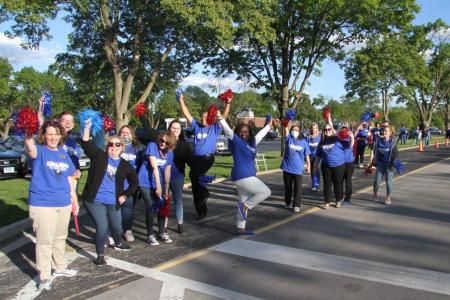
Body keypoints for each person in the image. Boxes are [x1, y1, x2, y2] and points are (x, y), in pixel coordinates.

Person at [24, 121, 79, 290]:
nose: (53, 137)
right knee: (44, 241)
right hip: (43, 204)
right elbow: (30, 148)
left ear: (61, 135)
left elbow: (69, 178)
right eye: (49, 134)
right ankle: (44, 276)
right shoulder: (40, 151)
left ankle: (60, 267)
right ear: (44, 136)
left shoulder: (63, 153)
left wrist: (74, 201)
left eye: (56, 133)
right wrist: (28, 132)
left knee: (60, 237)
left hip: (63, 202)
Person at [80, 120, 138, 266]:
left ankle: (118, 242)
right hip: (95, 200)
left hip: (114, 201)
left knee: (118, 228)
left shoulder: (125, 165)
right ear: (107, 147)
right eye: (111, 144)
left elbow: (134, 183)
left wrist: (125, 195)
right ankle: (100, 255)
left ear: (122, 147)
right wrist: (87, 127)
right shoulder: (99, 157)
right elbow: (86, 144)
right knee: (103, 226)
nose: (114, 147)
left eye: (117, 144)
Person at [217, 111, 273, 235]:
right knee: (265, 192)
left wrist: (269, 125)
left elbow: (260, 135)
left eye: (246, 131)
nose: (244, 133)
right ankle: (245, 206)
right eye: (241, 131)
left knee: (243, 200)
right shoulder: (236, 141)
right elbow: (227, 130)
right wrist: (220, 117)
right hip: (243, 175)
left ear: (249, 133)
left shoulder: (252, 143)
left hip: (245, 176)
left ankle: (241, 228)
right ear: (237, 133)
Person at [178, 93, 231, 220]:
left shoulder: (214, 128)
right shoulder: (196, 127)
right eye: (201, 118)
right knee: (195, 184)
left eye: (205, 118)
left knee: (194, 177)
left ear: (211, 118)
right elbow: (187, 114)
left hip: (207, 159)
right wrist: (181, 100)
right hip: (195, 159)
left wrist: (228, 103)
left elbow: (223, 116)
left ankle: (205, 193)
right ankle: (201, 211)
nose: (203, 120)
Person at [138, 131, 176, 245]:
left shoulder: (169, 153)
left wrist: (166, 189)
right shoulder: (152, 146)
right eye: (161, 140)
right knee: (150, 205)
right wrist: (159, 187)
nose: (163, 143)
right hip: (145, 181)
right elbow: (154, 167)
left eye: (166, 142)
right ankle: (150, 235)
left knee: (163, 203)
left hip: (158, 181)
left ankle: (161, 232)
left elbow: (167, 170)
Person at [313, 115, 347, 209]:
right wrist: (315, 167)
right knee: (327, 184)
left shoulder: (337, 139)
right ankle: (327, 201)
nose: (327, 131)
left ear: (332, 130)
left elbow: (336, 133)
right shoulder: (322, 141)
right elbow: (318, 156)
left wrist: (330, 120)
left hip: (338, 166)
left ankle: (338, 200)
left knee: (338, 184)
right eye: (325, 129)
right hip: (326, 166)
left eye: (329, 129)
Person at [168, 120, 193, 234]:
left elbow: (190, 161)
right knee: (164, 201)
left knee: (178, 201)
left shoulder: (184, 144)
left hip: (178, 176)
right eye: (173, 128)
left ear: (181, 130)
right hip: (164, 176)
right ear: (169, 128)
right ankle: (164, 224)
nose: (175, 130)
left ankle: (180, 224)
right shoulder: (165, 141)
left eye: (178, 128)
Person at [118, 125, 142, 242]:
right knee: (115, 208)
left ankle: (127, 230)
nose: (125, 134)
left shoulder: (137, 149)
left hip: (130, 184)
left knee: (128, 208)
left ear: (132, 135)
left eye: (128, 132)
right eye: (122, 132)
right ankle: (116, 230)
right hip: (117, 183)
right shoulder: (116, 146)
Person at [280, 123, 311, 212]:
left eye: (297, 130)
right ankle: (287, 202)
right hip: (287, 167)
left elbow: (307, 154)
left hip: (298, 168)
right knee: (288, 187)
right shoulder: (288, 139)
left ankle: (296, 205)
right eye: (293, 130)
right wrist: (286, 122)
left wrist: (309, 165)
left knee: (298, 188)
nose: (295, 131)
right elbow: (286, 127)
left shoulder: (304, 142)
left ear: (300, 132)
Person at [370, 125, 398, 205]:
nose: (384, 132)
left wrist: (392, 164)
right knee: (376, 182)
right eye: (384, 131)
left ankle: (388, 197)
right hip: (380, 164)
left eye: (386, 131)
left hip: (389, 165)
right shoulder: (379, 141)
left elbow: (395, 155)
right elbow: (375, 152)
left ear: (390, 133)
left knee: (388, 183)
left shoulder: (392, 143)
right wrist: (373, 162)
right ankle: (375, 194)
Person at [340, 123, 355, 205]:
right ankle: (340, 197)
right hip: (340, 162)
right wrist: (329, 119)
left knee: (348, 181)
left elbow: (351, 146)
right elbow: (332, 129)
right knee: (340, 180)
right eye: (342, 128)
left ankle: (347, 199)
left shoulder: (349, 138)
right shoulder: (339, 137)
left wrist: (352, 137)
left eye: (345, 128)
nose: (344, 129)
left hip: (349, 162)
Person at [307, 123, 321, 191]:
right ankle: (314, 184)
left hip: (318, 155)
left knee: (315, 168)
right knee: (313, 170)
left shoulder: (320, 137)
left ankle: (317, 185)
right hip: (310, 156)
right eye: (312, 128)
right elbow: (306, 147)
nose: (313, 129)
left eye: (315, 128)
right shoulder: (308, 137)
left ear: (317, 129)